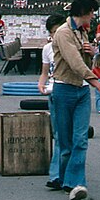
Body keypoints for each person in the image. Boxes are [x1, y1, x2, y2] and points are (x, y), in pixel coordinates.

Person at [46, 0, 100, 200]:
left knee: (81, 139)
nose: (93, 17)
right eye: (92, 12)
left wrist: (92, 52)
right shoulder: (64, 33)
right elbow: (75, 63)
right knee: (64, 142)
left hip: (82, 91)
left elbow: (86, 61)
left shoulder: (84, 32)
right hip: (64, 89)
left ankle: (75, 183)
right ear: (83, 12)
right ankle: (62, 178)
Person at [38, 13, 67, 190]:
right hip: (54, 91)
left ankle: (65, 174)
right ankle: (56, 175)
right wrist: (41, 83)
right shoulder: (48, 49)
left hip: (70, 90)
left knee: (70, 137)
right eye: (53, 32)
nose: (56, 36)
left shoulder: (72, 44)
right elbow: (45, 71)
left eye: (58, 31)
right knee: (58, 135)